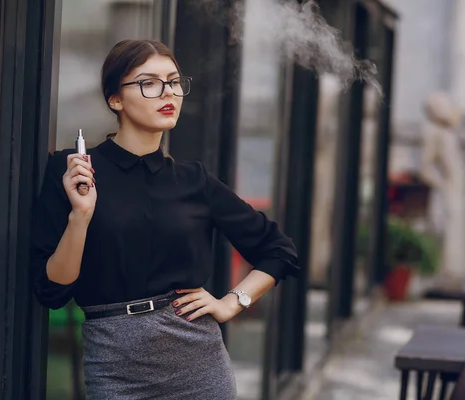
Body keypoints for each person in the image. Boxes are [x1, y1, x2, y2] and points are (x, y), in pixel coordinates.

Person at [30, 39, 300, 400]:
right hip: (115, 367)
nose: (167, 92)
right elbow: (52, 291)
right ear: (115, 99)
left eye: (173, 81)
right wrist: (81, 215)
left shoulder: (194, 180)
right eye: (149, 82)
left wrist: (232, 302)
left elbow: (279, 250)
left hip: (199, 366)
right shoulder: (74, 172)